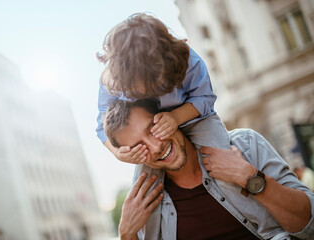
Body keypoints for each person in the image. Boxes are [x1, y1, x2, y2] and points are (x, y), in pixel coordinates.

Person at [104, 99, 314, 240]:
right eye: (138, 147)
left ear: (168, 116)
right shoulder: (146, 204)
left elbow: (309, 225)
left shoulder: (245, 145)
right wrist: (127, 235)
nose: (156, 147)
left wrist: (250, 178)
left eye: (153, 128)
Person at [96, 13, 230, 165]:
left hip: (196, 119)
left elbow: (204, 97)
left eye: (150, 84)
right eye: (132, 88)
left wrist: (176, 117)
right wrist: (118, 153)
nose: (142, 93)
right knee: (144, 182)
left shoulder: (188, 61)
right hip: (148, 140)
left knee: (223, 160)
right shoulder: (112, 82)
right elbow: (102, 127)